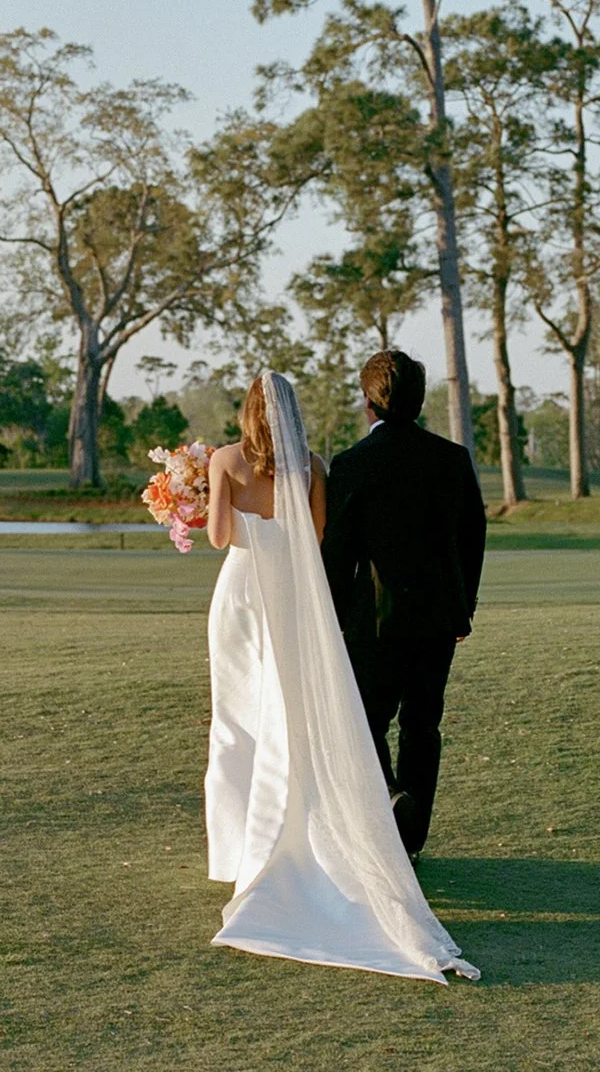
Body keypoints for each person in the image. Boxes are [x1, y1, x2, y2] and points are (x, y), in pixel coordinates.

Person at [200, 369, 478, 984]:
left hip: (256, 601)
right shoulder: (324, 465)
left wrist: (204, 497)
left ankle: (240, 845)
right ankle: (382, 830)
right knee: (347, 717)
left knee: (247, 718)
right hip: (341, 605)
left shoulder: (231, 459)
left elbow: (226, 536)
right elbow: (325, 536)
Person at [319, 349, 488, 860]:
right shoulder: (452, 459)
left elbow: (338, 550)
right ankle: (411, 840)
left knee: (366, 722)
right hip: (438, 620)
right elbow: (472, 538)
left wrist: (329, 615)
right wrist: (464, 609)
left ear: (368, 401)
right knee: (422, 725)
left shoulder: (351, 464)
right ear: (418, 400)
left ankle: (391, 796)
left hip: (372, 624)